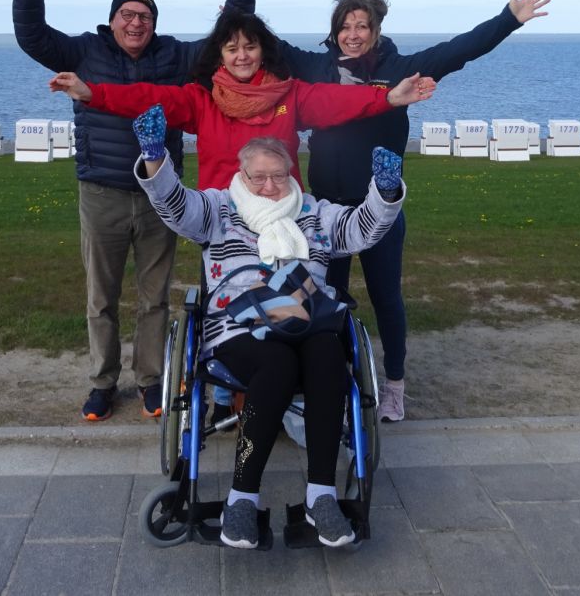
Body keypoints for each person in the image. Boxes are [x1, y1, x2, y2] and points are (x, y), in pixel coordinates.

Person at [222, 0, 550, 422]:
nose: (353, 35)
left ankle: (394, 384)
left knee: (386, 297)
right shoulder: (315, 68)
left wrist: (509, 18)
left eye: (362, 26)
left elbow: (459, 50)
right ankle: (324, 380)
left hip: (379, 209)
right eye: (345, 26)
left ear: (376, 31)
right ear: (334, 32)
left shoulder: (399, 72)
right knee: (320, 301)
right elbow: (258, 40)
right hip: (326, 213)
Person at [11, 0, 255, 423]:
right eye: (127, 14)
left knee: (154, 297)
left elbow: (224, 45)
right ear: (113, 21)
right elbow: (32, 36)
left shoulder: (175, 56)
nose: (136, 23)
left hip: (160, 196)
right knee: (100, 298)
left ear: (154, 23)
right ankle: (103, 382)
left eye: (144, 16)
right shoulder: (84, 51)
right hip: (100, 190)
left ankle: (149, 380)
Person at [132, 108, 407, 549]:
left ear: (291, 171)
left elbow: (362, 230)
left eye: (278, 175)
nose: (269, 186)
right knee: (276, 364)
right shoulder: (220, 209)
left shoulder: (315, 212)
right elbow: (175, 205)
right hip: (238, 327)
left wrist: (386, 189)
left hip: (307, 321)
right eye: (258, 177)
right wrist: (154, 156)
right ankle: (242, 497)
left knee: (329, 356)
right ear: (242, 174)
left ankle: (322, 496)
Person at [47, 9, 437, 190]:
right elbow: (149, 97)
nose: (242, 56)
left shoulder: (291, 96)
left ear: (262, 52)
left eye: (250, 47)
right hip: (222, 225)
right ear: (221, 55)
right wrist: (92, 93)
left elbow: (337, 100)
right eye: (232, 49)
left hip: (283, 216)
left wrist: (387, 97)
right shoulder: (202, 101)